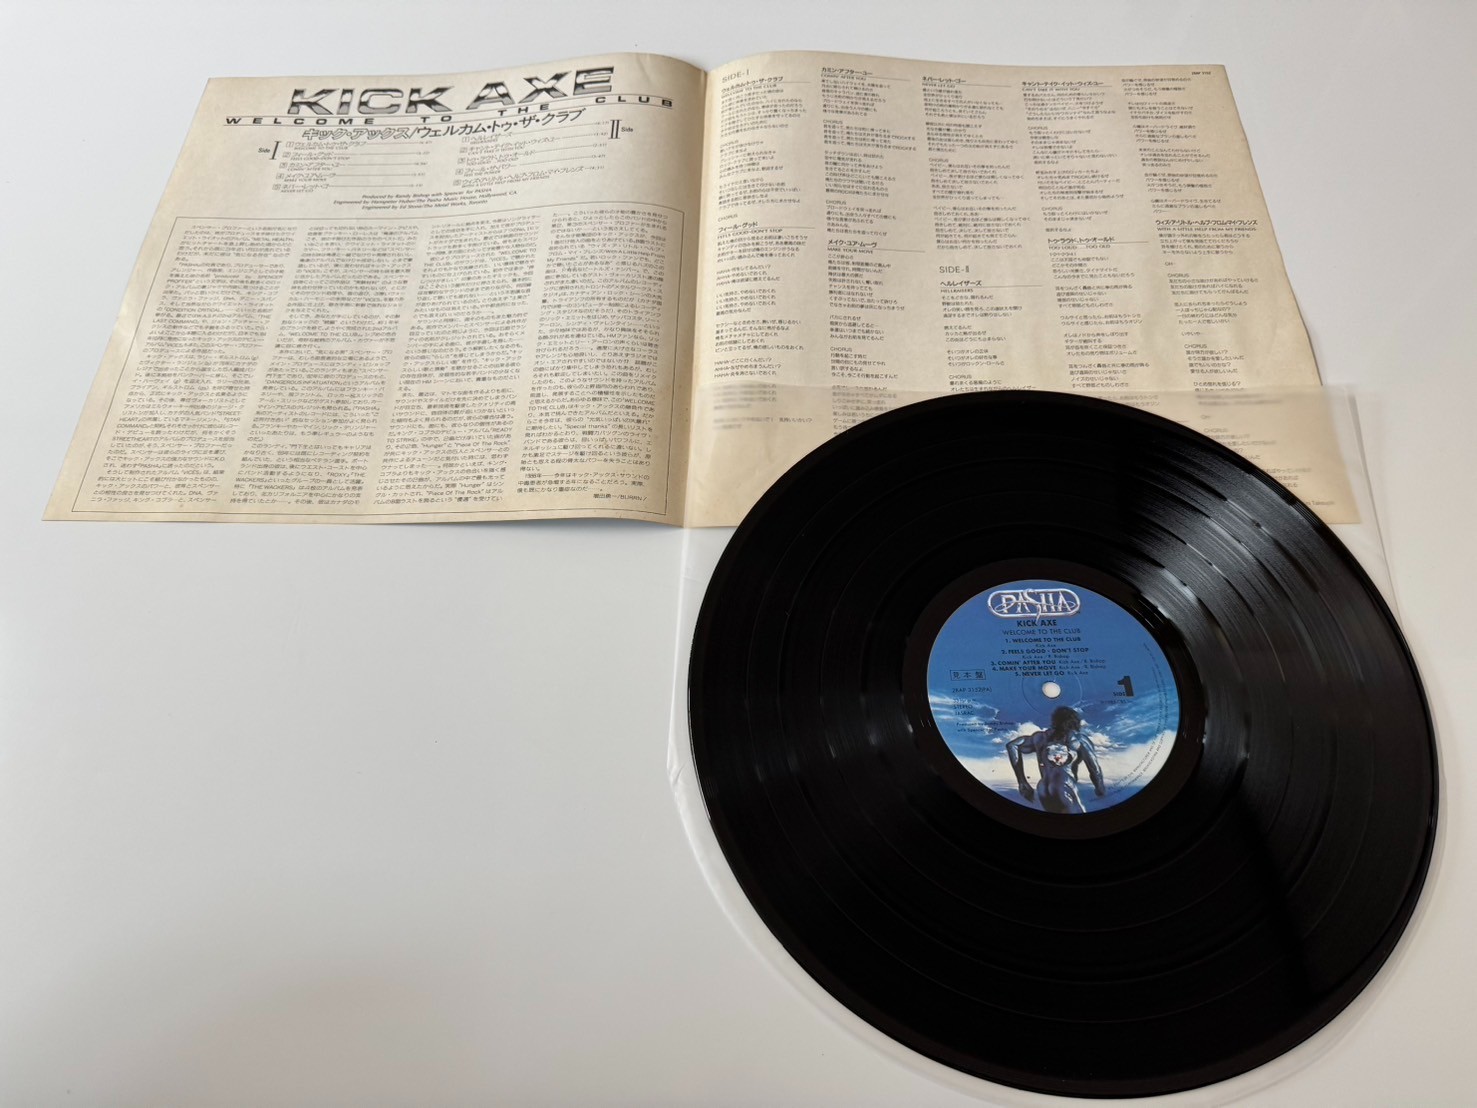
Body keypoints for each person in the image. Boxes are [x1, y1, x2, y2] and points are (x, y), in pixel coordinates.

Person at [1005, 706, 1105, 813]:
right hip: (1063, 785)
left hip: (1042, 788)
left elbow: (1012, 745)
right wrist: (1100, 789)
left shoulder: (1039, 737)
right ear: (1074, 722)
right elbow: (1094, 769)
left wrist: (1022, 781)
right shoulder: (1078, 739)